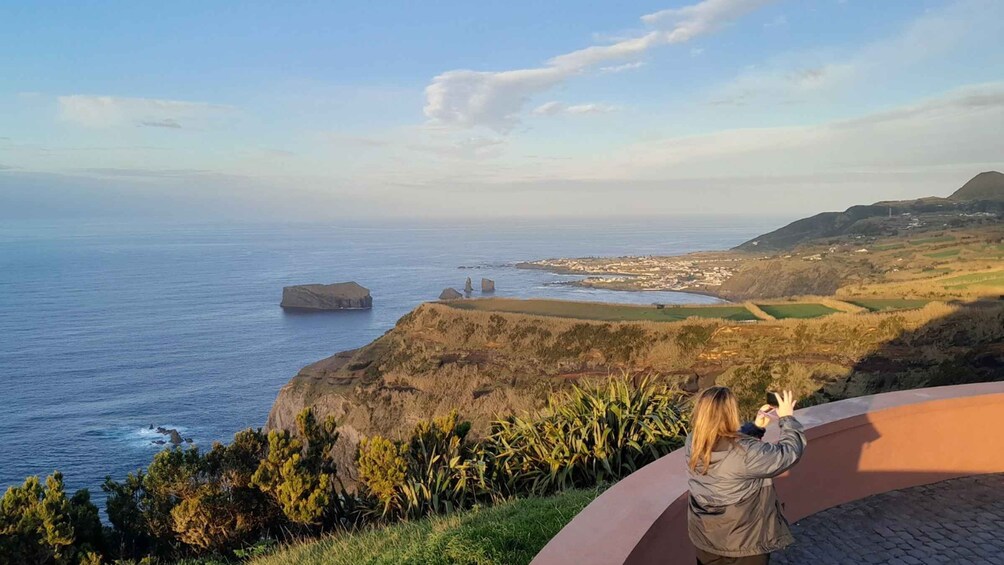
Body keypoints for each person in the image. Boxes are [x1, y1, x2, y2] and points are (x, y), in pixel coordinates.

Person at [685, 387, 806, 565]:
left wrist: (756, 427)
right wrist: (787, 418)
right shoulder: (746, 453)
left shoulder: (694, 441)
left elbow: (726, 443)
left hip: (705, 537)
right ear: (731, 412)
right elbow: (789, 453)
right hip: (743, 543)